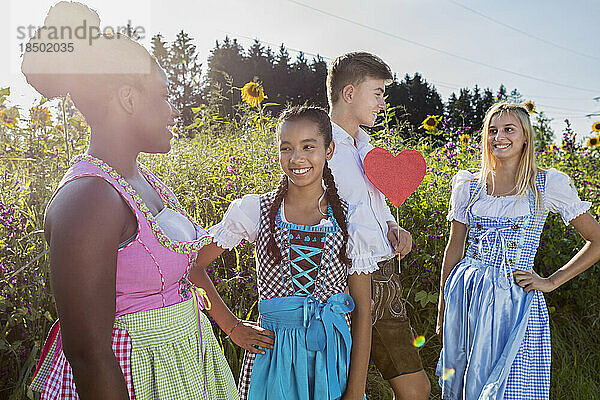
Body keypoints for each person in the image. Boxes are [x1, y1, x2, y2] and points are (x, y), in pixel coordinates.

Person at [25, 2, 247, 398]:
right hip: (135, 380)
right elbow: (89, 354)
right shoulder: (89, 200)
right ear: (128, 98)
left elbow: (186, 270)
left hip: (181, 369)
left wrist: (230, 325)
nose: (174, 110)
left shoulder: (145, 182)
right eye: (163, 96)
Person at [191, 105, 372, 399]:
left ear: (329, 150)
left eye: (308, 147)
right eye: (286, 148)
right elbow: (193, 268)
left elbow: (363, 310)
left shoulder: (353, 218)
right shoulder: (255, 211)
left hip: (330, 359)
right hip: (272, 358)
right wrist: (232, 327)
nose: (297, 158)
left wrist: (355, 391)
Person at [436, 102, 600, 399]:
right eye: (492, 130)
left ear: (525, 136)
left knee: (512, 386)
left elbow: (597, 240)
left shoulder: (546, 185)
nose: (499, 136)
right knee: (466, 380)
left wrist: (551, 281)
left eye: (509, 129)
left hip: (515, 301)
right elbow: (455, 246)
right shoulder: (468, 185)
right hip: (468, 297)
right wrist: (444, 306)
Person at [327, 52, 431, 400]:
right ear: (350, 93)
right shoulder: (319, 146)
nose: (383, 103)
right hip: (338, 284)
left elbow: (371, 202)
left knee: (416, 388)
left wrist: (392, 226)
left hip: (384, 278)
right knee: (342, 388)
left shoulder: (366, 147)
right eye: (378, 93)